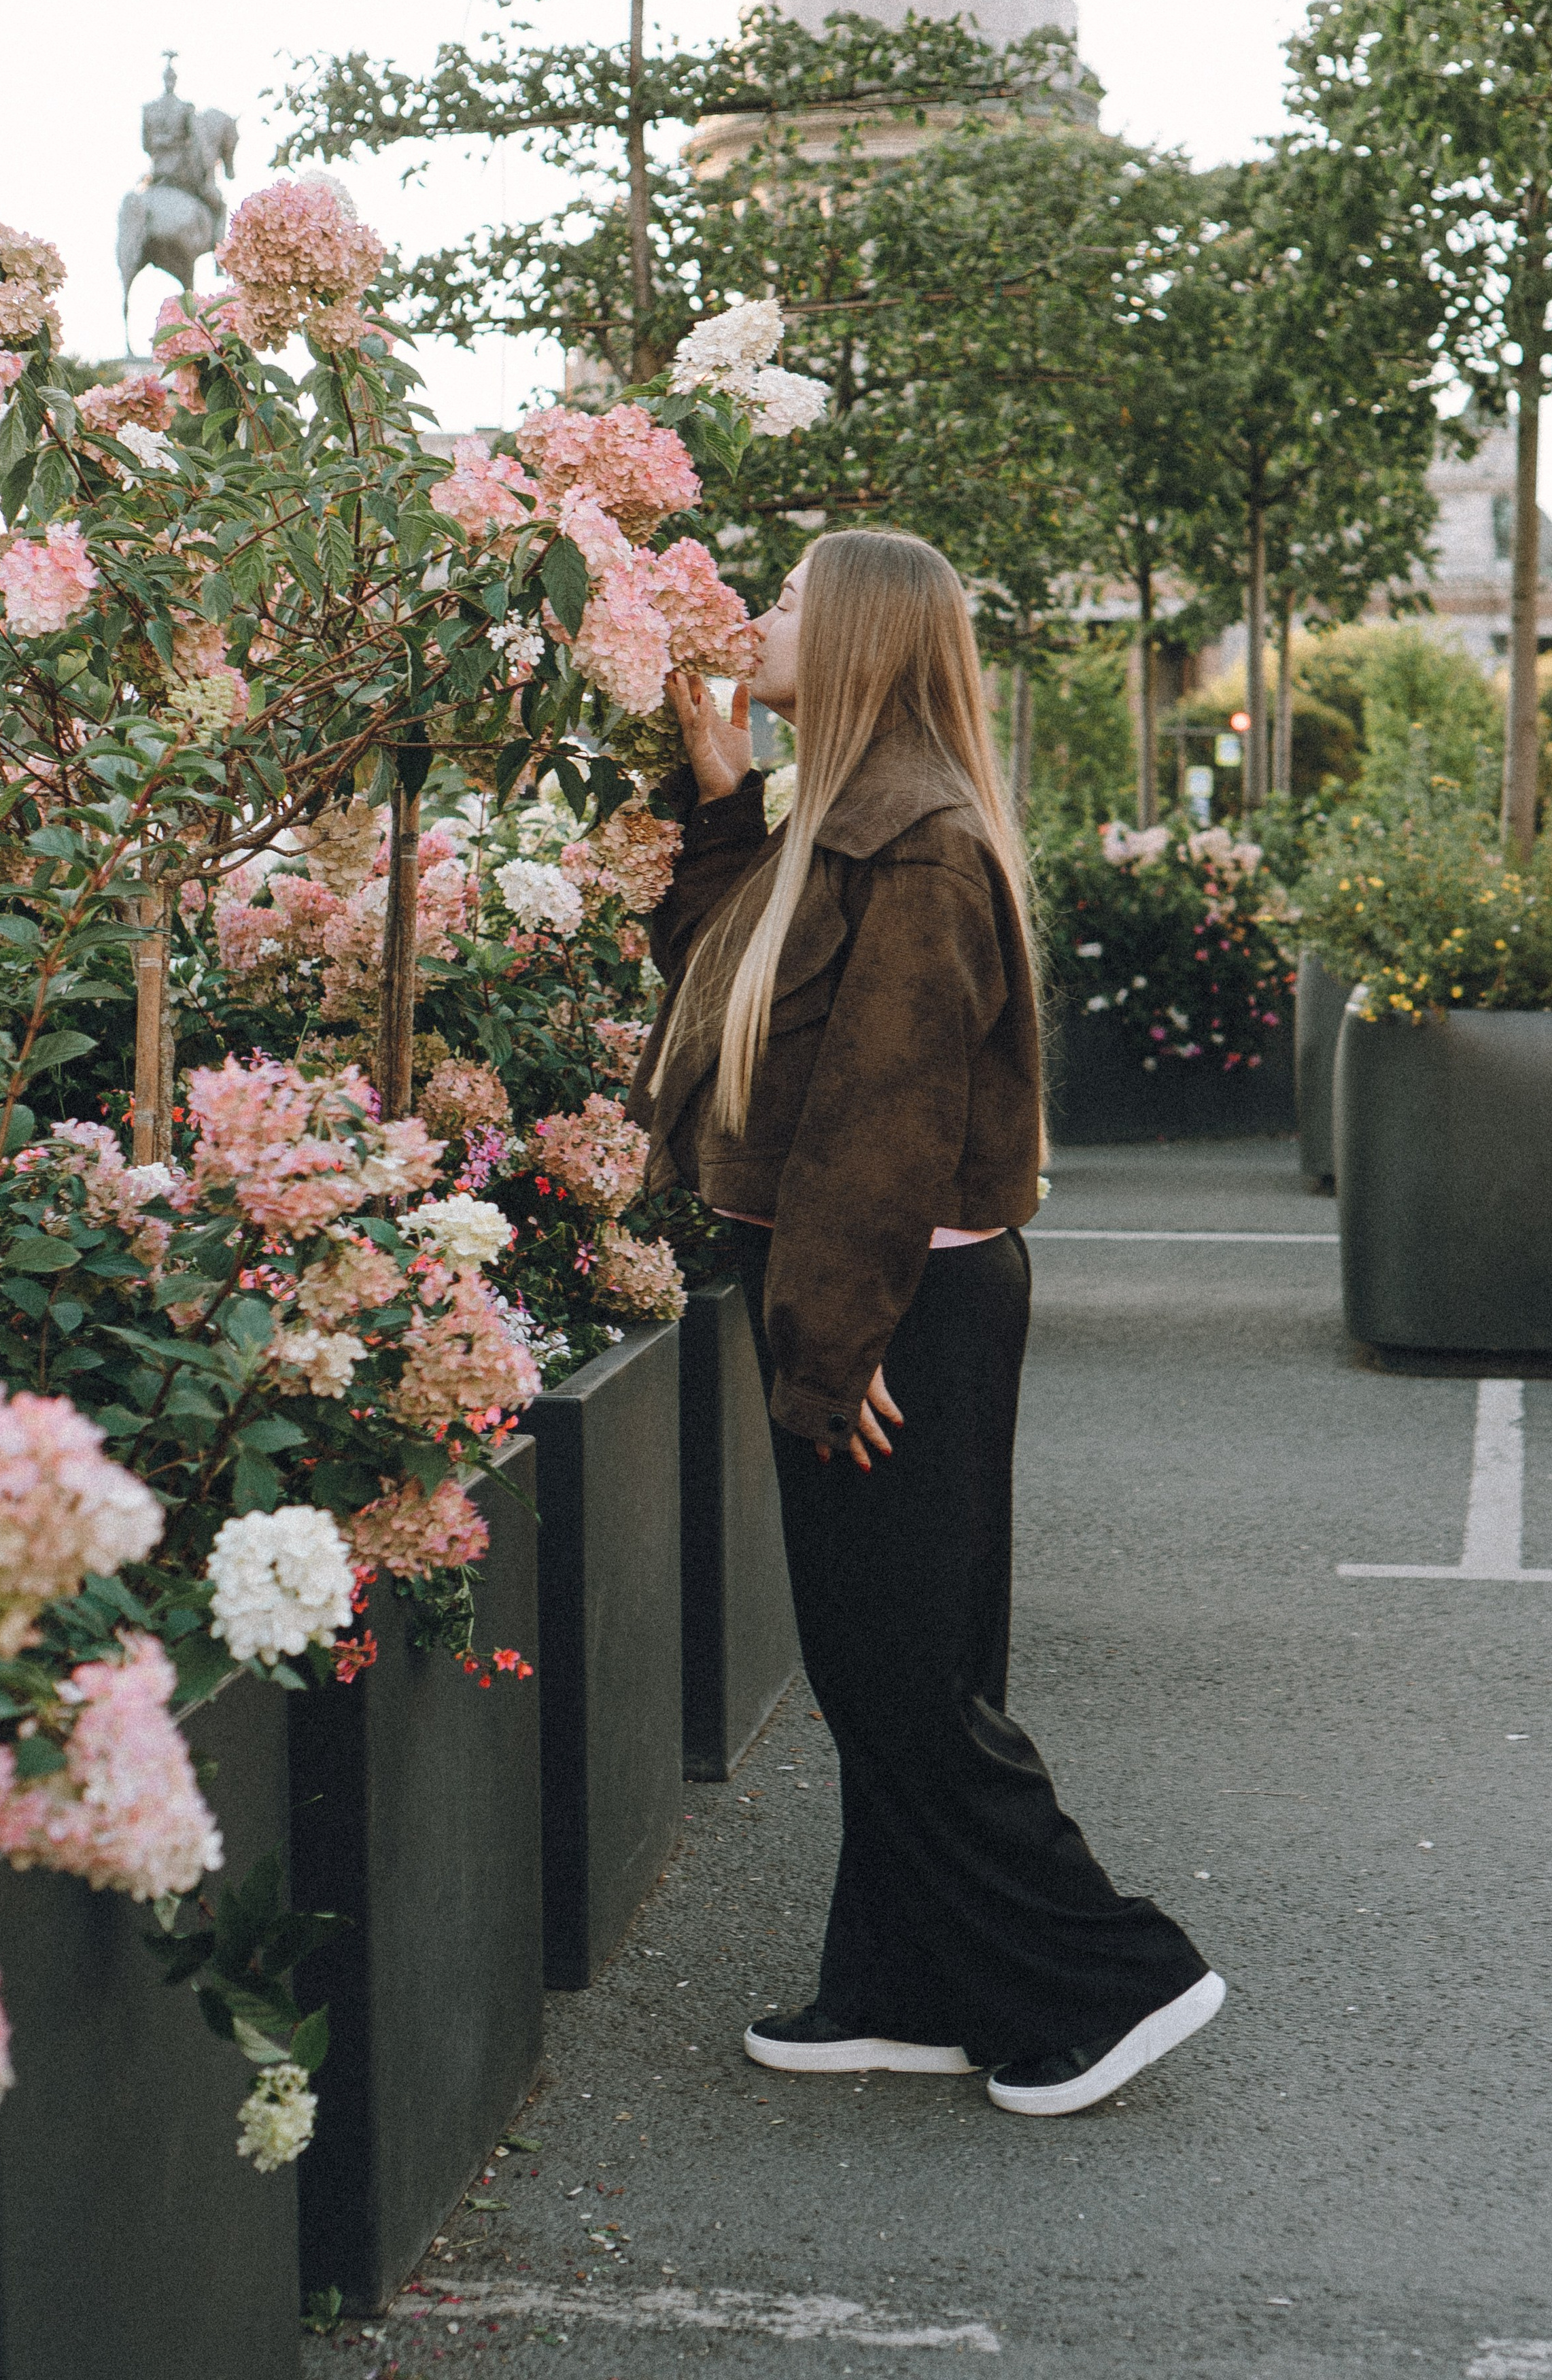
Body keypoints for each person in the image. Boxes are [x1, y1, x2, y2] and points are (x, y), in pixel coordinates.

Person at [631, 527, 1223, 2118]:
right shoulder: (840, 823)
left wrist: (834, 1345)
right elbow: (721, 999)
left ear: (856, 643)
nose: (751, 618)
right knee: (883, 1663)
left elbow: (879, 1123)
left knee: (899, 1679)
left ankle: (1112, 1981)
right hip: (865, 1282)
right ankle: (903, 1987)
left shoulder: (916, 842)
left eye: (784, 602)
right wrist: (715, 795)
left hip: (895, 1297)